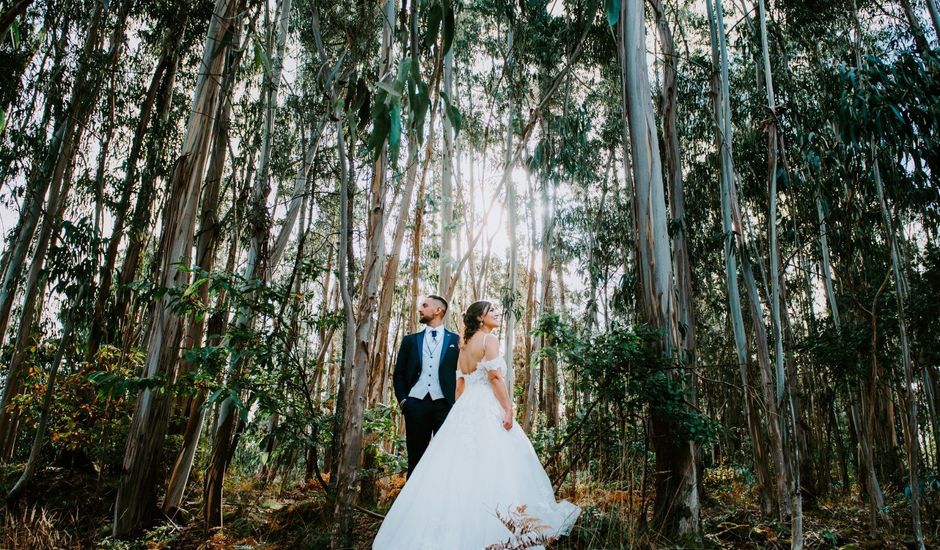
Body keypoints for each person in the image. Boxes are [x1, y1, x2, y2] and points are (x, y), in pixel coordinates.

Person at [374, 300, 580, 549]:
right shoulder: (488, 340)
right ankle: (504, 528)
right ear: (481, 318)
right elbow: (494, 377)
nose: (497, 313)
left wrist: (460, 411)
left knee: (455, 467)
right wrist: (508, 408)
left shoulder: (464, 344)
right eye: (492, 311)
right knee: (495, 461)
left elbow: (460, 384)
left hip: (466, 406)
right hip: (485, 404)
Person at [392, 295, 460, 477]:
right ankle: (412, 504)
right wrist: (404, 401)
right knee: (415, 458)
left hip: (444, 406)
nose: (420, 309)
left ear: (438, 310)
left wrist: (456, 403)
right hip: (416, 404)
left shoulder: (456, 340)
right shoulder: (410, 340)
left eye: (425, 305)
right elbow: (398, 373)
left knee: (444, 457)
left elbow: (462, 374)